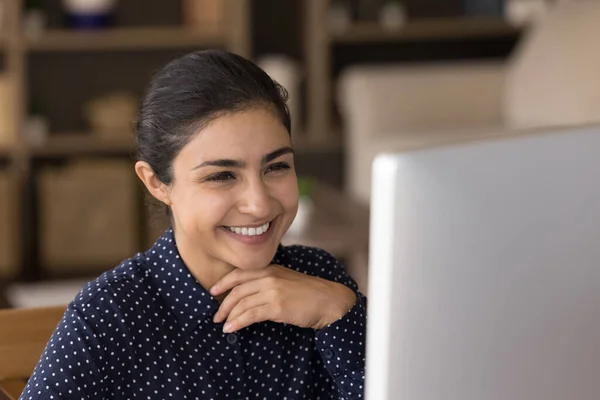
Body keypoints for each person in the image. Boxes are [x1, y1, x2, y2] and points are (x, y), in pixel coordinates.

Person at [20, 50, 367, 400]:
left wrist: (341, 312)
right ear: (157, 182)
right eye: (222, 176)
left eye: (276, 167)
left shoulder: (324, 284)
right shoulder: (108, 316)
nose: (259, 203)